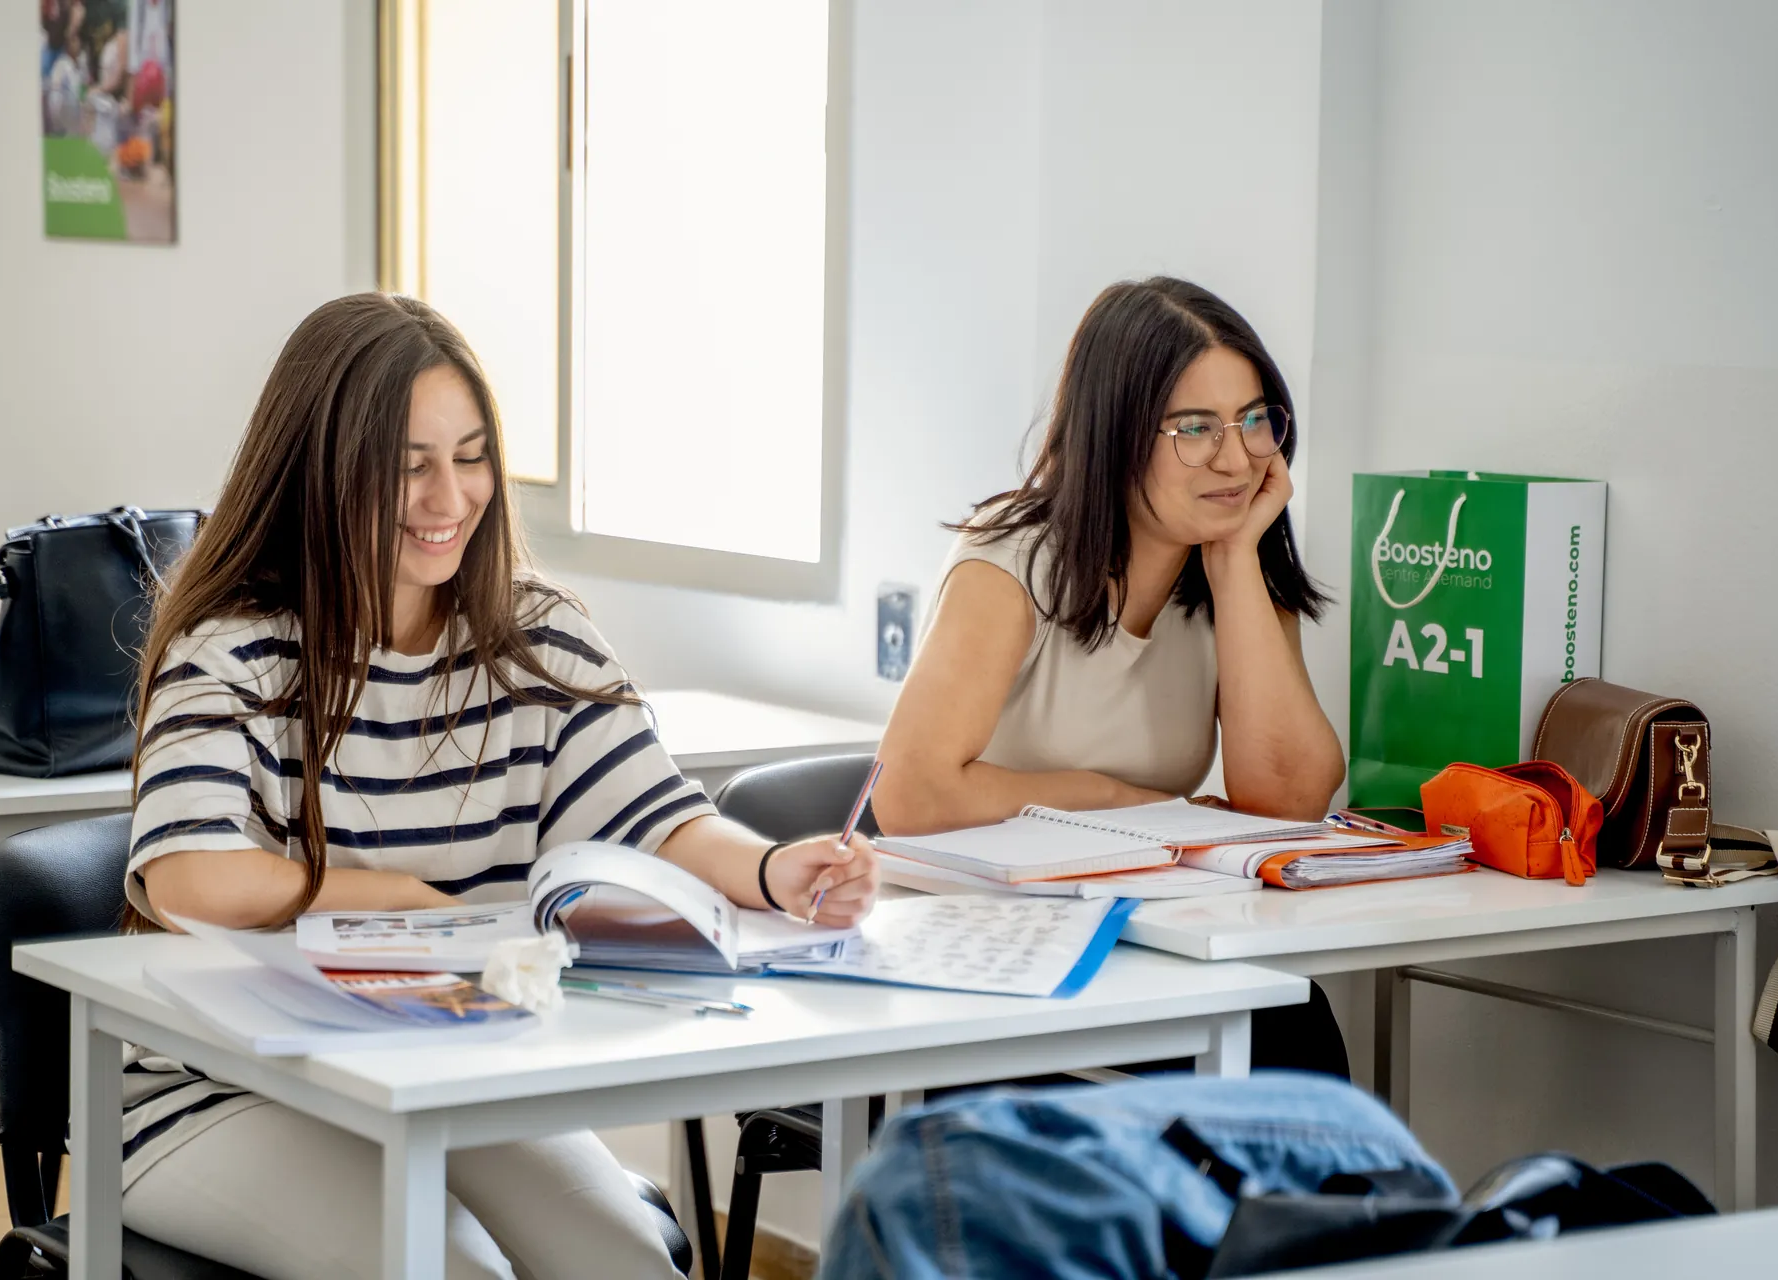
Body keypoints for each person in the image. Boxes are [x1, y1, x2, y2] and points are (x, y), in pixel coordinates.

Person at [119, 293, 880, 1279]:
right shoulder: (231, 650)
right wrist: (392, 896)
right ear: (321, 469)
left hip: (451, 1069)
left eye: (471, 457)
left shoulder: (536, 637)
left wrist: (778, 870)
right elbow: (191, 879)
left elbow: (659, 818)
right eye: (410, 467)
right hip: (224, 1090)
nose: (450, 498)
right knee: (457, 1272)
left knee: (626, 1265)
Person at [876, 275, 1349, 1076]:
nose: (1235, 457)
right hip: (991, 956)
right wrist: (1127, 803)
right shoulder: (1010, 563)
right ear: (1116, 435)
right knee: (1239, 1056)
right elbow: (911, 794)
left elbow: (1289, 803)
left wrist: (1236, 561)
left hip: (1142, 931)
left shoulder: (1235, 576)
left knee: (1289, 1028)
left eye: (1253, 421)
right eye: (1194, 428)